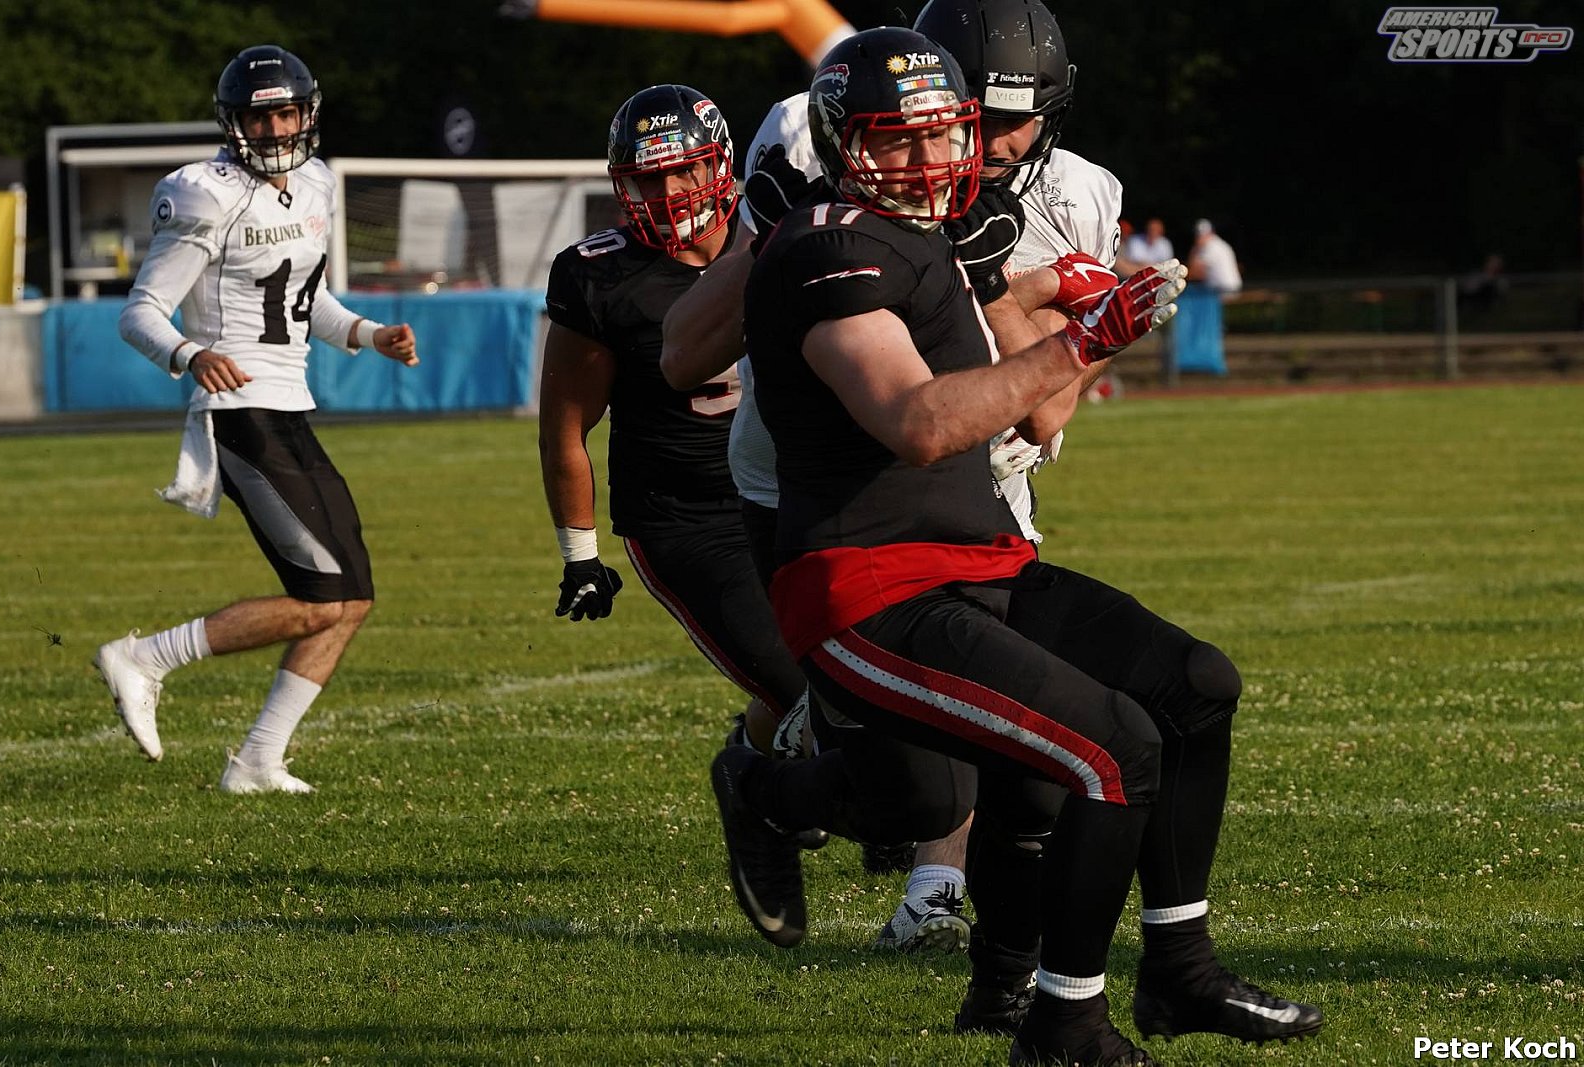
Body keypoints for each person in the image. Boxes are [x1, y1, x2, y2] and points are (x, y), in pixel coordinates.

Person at [713, 27, 1323, 1064]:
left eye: (943, 133)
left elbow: (1024, 400)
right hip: (869, 590)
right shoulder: (829, 246)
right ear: (842, 145)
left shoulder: (932, 240)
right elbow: (919, 421)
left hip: (978, 561)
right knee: (1107, 751)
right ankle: (1063, 1022)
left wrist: (1061, 301)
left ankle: (1179, 968)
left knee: (1193, 686)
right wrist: (1082, 338)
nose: (930, 158)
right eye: (895, 138)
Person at [97, 45, 419, 794]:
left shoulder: (315, 183)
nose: (275, 129)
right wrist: (189, 354)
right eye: (258, 117)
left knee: (352, 600)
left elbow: (309, 301)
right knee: (321, 597)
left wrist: (371, 335)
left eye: (286, 113)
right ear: (233, 122)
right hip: (239, 410)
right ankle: (144, 657)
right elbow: (140, 312)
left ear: (307, 113)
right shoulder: (206, 194)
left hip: (290, 406)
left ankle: (256, 762)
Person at [537, 84, 812, 782]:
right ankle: (794, 794)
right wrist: (579, 554)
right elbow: (566, 427)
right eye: (649, 177)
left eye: (685, 170)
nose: (669, 191)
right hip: (687, 520)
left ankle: (752, 762)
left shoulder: (783, 235)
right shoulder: (600, 276)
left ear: (720, 163)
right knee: (807, 688)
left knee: (858, 674)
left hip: (795, 498)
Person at [1188, 219, 1242, 295]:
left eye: (1202, 235)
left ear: (1211, 233)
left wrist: (1194, 251)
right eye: (1198, 235)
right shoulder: (1218, 244)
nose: (1199, 238)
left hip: (1225, 290)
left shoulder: (1211, 247)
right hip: (1228, 288)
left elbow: (1194, 272)